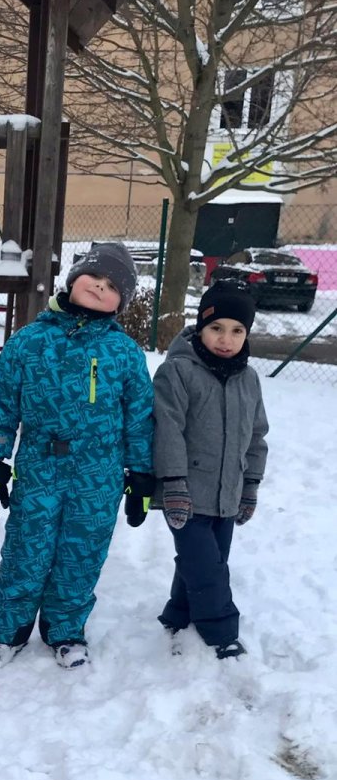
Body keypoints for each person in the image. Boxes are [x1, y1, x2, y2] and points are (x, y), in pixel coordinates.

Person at [0, 242, 154, 670]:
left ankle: (66, 630)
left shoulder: (124, 352)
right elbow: (1, 402)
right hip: (40, 468)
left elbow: (140, 418)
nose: (101, 287)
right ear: (73, 279)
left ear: (121, 302)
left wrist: (142, 475)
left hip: (99, 475)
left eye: (113, 286)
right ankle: (6, 631)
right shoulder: (29, 341)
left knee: (82, 554)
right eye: (95, 276)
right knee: (26, 550)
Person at [153, 280, 268, 658]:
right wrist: (173, 483)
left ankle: (179, 612)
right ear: (201, 326)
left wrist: (250, 485)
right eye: (216, 327)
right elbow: (167, 429)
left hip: (227, 493)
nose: (226, 339)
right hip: (185, 490)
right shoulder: (178, 372)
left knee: (209, 560)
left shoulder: (248, 379)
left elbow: (256, 435)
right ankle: (221, 632)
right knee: (208, 569)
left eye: (237, 331)